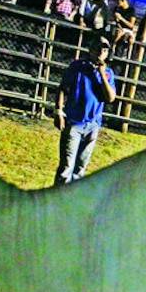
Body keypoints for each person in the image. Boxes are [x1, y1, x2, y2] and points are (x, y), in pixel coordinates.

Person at [52, 36, 116, 186]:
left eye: (105, 50)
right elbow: (62, 88)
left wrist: (101, 74)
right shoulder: (77, 67)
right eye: (98, 49)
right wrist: (59, 111)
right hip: (75, 121)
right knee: (66, 166)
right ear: (91, 50)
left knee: (80, 167)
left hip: (93, 124)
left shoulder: (108, 72)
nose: (101, 52)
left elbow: (110, 97)